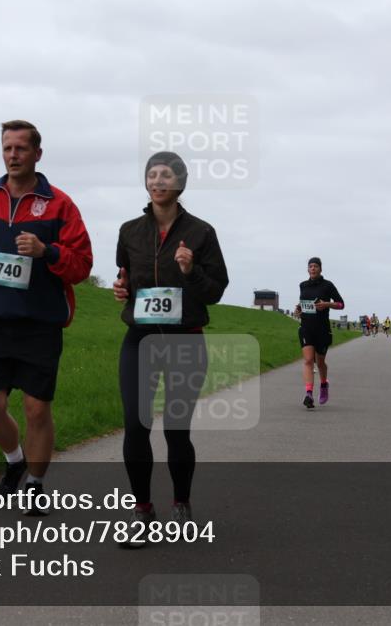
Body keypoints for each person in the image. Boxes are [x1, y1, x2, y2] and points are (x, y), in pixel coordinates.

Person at [0, 120, 93, 516]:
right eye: (7, 148)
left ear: (38, 153)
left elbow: (82, 264)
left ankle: (35, 485)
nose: (13, 155)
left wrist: (46, 252)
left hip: (41, 321)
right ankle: (14, 459)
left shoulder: (60, 205)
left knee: (37, 409)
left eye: (21, 148)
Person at [113, 151, 228, 543]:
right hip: (140, 338)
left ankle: (181, 504)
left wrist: (189, 270)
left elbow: (215, 292)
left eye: (166, 175)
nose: (158, 180)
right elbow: (127, 280)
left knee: (176, 430)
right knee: (135, 425)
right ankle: (142, 512)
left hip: (184, 338)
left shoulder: (201, 233)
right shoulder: (129, 231)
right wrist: (122, 291)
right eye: (152, 174)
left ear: (180, 183)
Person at [294, 258, 344, 408]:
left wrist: (326, 304)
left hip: (322, 329)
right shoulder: (303, 285)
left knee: (320, 362)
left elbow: (341, 304)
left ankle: (324, 385)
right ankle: (308, 394)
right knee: (308, 360)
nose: (313, 269)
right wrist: (298, 310)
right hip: (306, 327)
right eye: (310, 266)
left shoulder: (328, 285)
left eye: (316, 266)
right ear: (308, 269)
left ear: (321, 269)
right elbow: (303, 305)